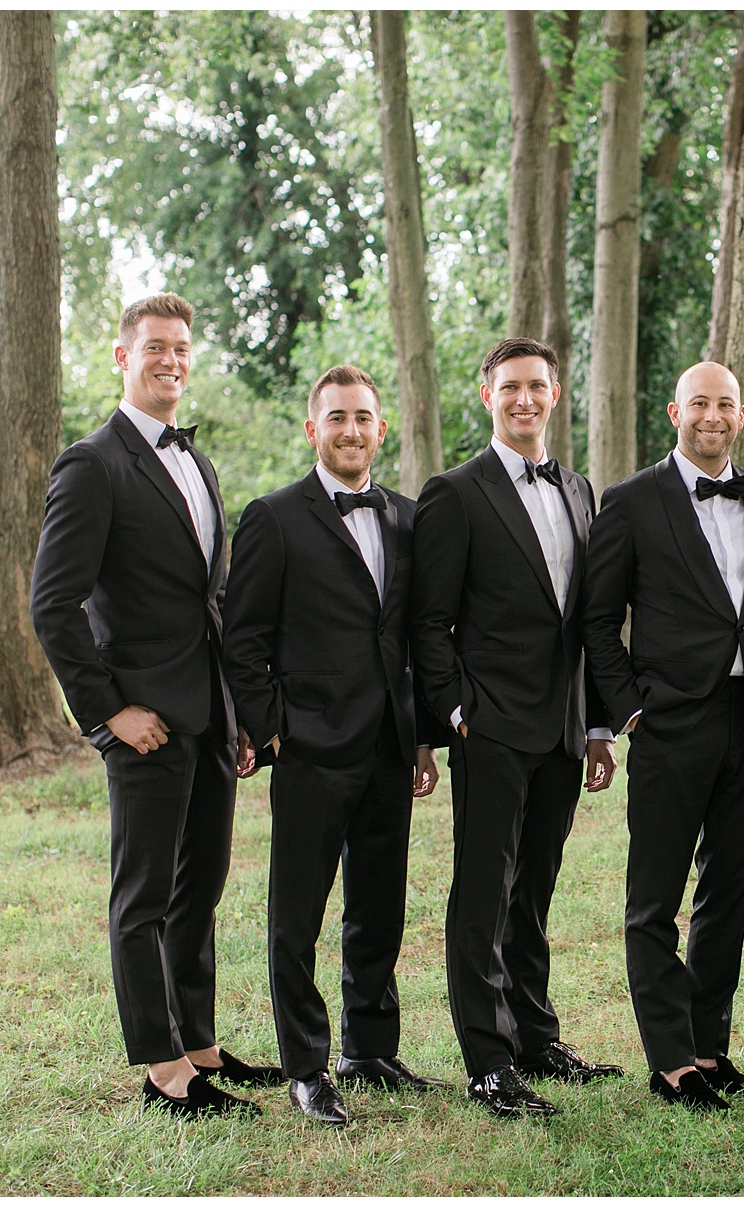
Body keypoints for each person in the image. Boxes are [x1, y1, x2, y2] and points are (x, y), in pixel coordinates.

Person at [29, 292, 282, 1117]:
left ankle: (199, 1044)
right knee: (141, 899)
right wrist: (107, 712)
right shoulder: (92, 463)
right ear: (122, 359)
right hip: (143, 724)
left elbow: (209, 602)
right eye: (154, 349)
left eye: (181, 348)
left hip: (208, 715)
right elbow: (52, 604)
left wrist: (239, 711)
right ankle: (161, 1069)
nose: (170, 360)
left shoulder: (196, 462)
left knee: (199, 888)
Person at [221, 364, 451, 1127]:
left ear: (380, 429)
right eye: (337, 418)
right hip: (313, 747)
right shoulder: (274, 516)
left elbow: (415, 637)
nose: (351, 430)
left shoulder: (410, 518)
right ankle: (306, 1066)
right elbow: (243, 637)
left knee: (379, 907)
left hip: (389, 745)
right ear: (312, 428)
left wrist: (420, 733)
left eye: (363, 418)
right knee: (298, 914)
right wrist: (271, 726)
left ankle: (371, 1048)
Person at [409, 336, 622, 1119]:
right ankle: (488, 1060)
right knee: (482, 894)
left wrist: (599, 720)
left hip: (564, 728)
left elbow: (591, 619)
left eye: (537, 386)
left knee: (534, 891)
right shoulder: (454, 492)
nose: (525, 399)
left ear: (556, 394)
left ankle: (536, 1036)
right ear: (487, 395)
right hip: (491, 727)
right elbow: (428, 622)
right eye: (511, 388)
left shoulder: (579, 488)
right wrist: (457, 712)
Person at [582, 362, 744, 1113]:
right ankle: (669, 1061)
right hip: (670, 722)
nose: (712, 415)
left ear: (741, 412)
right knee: (654, 899)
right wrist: (630, 708)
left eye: (725, 403)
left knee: (728, 892)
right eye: (699, 402)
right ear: (676, 411)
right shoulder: (630, 501)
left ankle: (708, 1045)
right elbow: (599, 621)